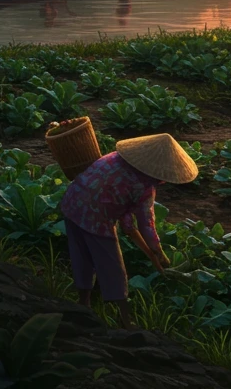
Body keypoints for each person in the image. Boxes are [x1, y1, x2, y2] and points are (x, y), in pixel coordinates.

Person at [59, 134, 198, 327]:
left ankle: (84, 303)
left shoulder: (113, 157)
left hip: (72, 204)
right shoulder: (144, 187)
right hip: (96, 219)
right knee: (113, 268)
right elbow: (146, 225)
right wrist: (158, 253)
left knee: (82, 257)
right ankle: (125, 319)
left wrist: (149, 250)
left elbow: (127, 223)